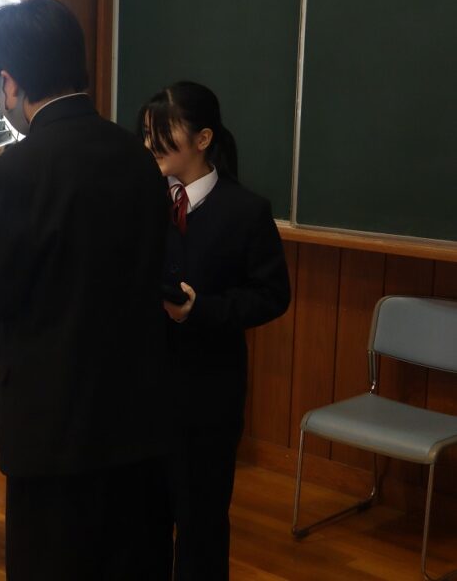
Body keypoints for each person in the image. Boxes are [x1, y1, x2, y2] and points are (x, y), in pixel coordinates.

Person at [0, 0, 174, 579]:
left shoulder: (15, 171)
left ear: (9, 82)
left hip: (53, 422)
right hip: (138, 412)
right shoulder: (138, 158)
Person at [137, 81, 291, 580]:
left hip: (208, 396)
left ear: (203, 139)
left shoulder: (245, 211)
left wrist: (201, 310)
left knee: (201, 525)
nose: (151, 145)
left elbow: (272, 296)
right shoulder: (141, 203)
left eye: (164, 133)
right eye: (147, 133)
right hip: (143, 391)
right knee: (144, 524)